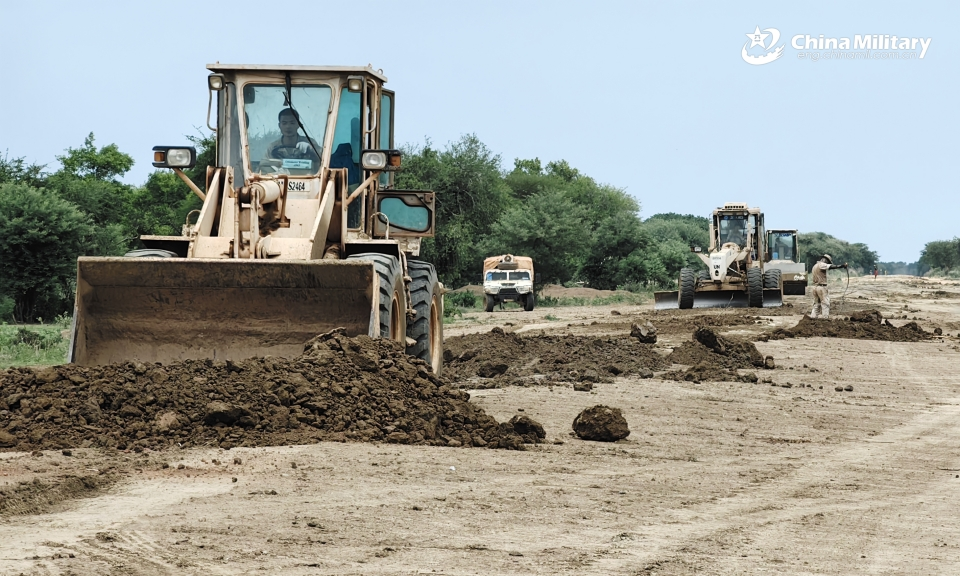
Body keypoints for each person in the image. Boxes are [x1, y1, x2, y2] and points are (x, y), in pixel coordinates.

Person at [810, 254, 848, 318]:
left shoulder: (815, 266)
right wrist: (842, 266)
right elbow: (831, 266)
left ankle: (812, 318)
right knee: (825, 303)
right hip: (821, 287)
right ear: (825, 260)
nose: (827, 263)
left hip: (815, 287)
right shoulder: (821, 265)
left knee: (816, 304)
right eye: (827, 262)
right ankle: (825, 319)